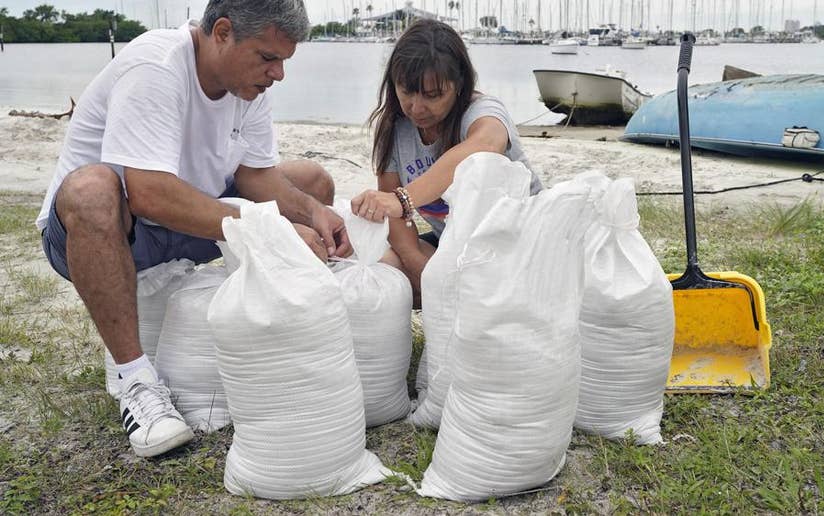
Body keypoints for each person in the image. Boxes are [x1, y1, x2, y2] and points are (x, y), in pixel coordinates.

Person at [35, 0, 350, 458]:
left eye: (283, 61)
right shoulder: (157, 66)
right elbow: (147, 192)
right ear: (222, 32)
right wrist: (266, 230)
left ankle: (300, 333)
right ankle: (136, 382)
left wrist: (310, 211)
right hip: (113, 230)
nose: (278, 73)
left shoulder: (247, 86)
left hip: (181, 224)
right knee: (91, 188)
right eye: (268, 58)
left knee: (311, 183)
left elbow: (255, 175)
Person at [350, 19, 541, 305]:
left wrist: (403, 200)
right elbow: (397, 223)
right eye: (406, 92)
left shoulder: (482, 112)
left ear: (459, 84)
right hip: (455, 248)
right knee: (381, 267)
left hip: (520, 245)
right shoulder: (394, 128)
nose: (416, 107)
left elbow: (484, 146)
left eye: (433, 95)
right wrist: (417, 265)